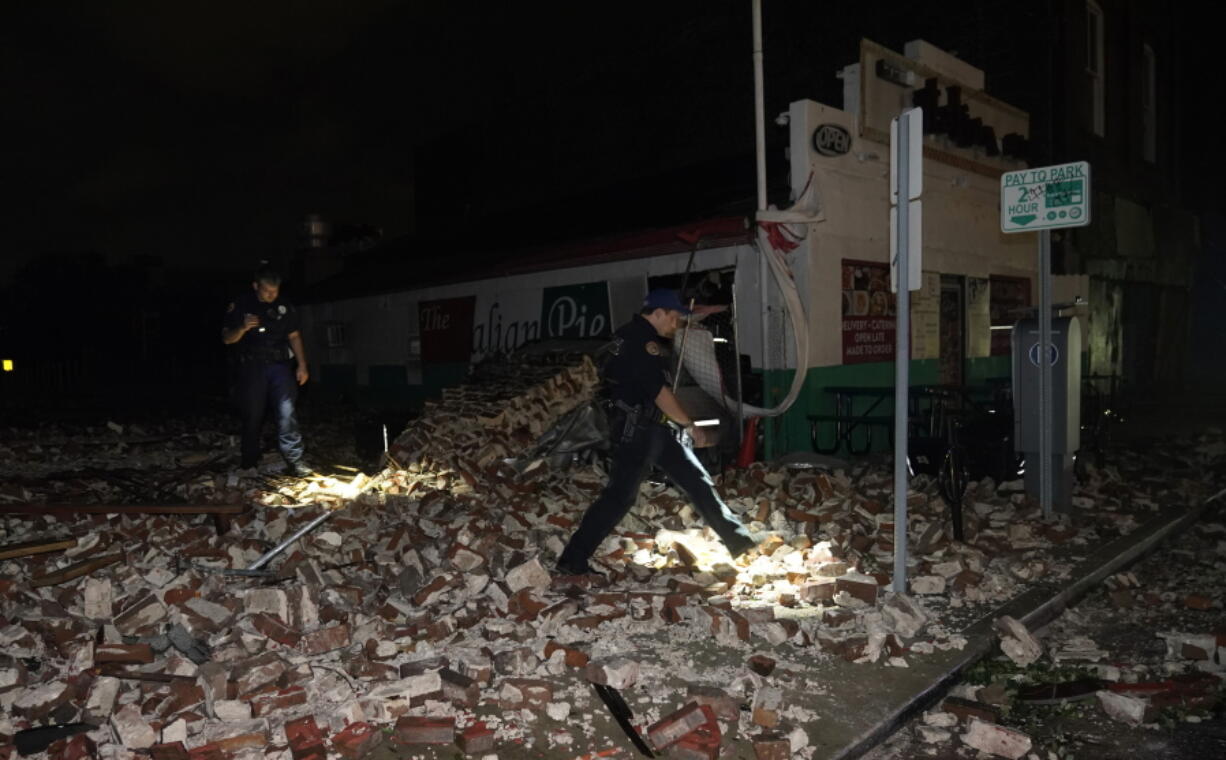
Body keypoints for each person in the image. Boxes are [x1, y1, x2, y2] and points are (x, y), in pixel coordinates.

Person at [556, 289, 757, 576]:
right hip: (637, 430)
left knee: (697, 480)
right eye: (673, 318)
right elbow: (660, 393)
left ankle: (740, 543)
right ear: (658, 312)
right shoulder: (642, 341)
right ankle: (572, 560)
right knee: (619, 497)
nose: (675, 325)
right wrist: (689, 424)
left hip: (653, 428)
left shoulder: (629, 335)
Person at [221, 262, 312, 477]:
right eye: (267, 290)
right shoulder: (241, 305)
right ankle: (249, 461)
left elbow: (295, 336)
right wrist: (242, 328)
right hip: (253, 368)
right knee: (252, 414)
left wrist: (302, 365)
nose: (272, 295)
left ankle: (295, 460)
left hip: (280, 367)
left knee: (287, 413)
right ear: (256, 286)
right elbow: (226, 339)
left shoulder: (285, 307)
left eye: (275, 290)